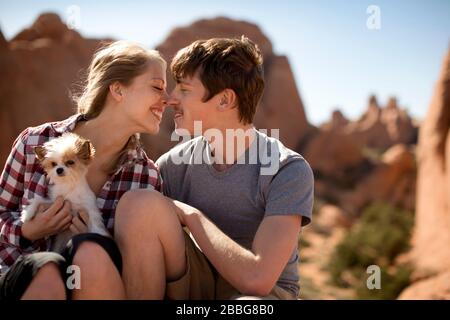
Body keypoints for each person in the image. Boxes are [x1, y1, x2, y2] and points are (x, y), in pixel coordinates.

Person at [114, 36, 314, 300]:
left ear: (224, 100)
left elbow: (257, 281)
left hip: (263, 296)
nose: (170, 99)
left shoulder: (286, 169)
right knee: (138, 204)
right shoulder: (174, 165)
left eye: (184, 90)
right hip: (197, 287)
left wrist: (191, 216)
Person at [0, 40, 168, 300]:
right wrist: (27, 231)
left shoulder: (147, 176)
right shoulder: (36, 142)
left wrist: (97, 239)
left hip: (96, 284)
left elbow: (138, 264)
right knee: (47, 269)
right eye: (157, 87)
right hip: (22, 277)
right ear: (118, 90)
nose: (167, 100)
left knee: (89, 250)